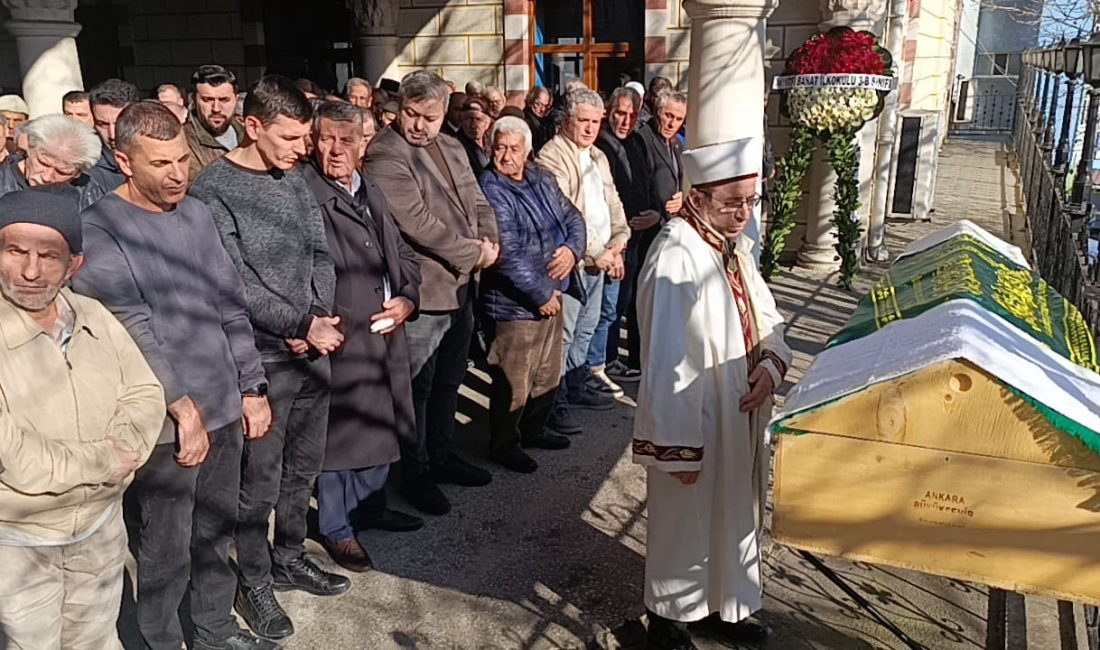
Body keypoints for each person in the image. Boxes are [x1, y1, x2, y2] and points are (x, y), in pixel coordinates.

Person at [73, 101, 275, 650]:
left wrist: (251, 387)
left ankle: (213, 629)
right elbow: (133, 330)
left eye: (183, 159)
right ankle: (161, 640)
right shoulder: (101, 229)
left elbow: (231, 303)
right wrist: (182, 408)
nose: (178, 174)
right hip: (165, 419)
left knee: (216, 531)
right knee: (165, 545)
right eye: (161, 163)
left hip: (224, 402)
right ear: (123, 160)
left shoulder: (197, 214)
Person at [190, 75, 349, 642]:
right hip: (260, 359)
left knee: (302, 468)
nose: (301, 148)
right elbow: (232, 281)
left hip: (312, 348)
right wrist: (298, 324)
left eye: (305, 136)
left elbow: (318, 253)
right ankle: (252, 579)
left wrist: (318, 317)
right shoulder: (213, 190)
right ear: (252, 126)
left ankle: (289, 557)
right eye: (289, 136)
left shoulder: (295, 178)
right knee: (257, 482)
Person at [634, 137, 791, 650]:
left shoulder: (732, 245)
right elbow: (664, 360)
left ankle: (724, 605)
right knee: (687, 521)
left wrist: (771, 361)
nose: (744, 213)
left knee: (732, 513)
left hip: (739, 408)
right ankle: (668, 618)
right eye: (732, 202)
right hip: (697, 416)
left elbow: (767, 315)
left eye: (750, 201)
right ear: (697, 198)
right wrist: (675, 445)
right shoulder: (677, 257)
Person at [0, 189, 165, 650]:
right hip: (19, 538)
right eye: (15, 251)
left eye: (48, 256)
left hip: (99, 527)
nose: (30, 271)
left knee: (95, 640)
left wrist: (124, 449)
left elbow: (145, 392)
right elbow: (13, 456)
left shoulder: (92, 315)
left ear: (74, 265)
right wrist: (103, 462)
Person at [364, 70, 499, 517]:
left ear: (446, 114)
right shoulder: (386, 154)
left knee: (449, 379)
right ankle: (416, 470)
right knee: (417, 387)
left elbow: (478, 200)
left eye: (430, 117)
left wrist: (490, 241)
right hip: (425, 289)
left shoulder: (453, 146)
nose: (419, 125)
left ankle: (442, 454)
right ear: (398, 109)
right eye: (411, 114)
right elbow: (417, 223)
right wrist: (472, 253)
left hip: (463, 287)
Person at [301, 100, 424, 572]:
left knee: (383, 422)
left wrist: (408, 298)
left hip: (386, 326)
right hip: (343, 332)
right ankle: (336, 527)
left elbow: (403, 255)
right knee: (342, 433)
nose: (335, 149)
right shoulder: (308, 193)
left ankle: (370, 508)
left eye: (345, 140)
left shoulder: (368, 187)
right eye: (326, 139)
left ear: (362, 144)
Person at [479, 116, 586, 473]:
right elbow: (506, 250)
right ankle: (504, 443)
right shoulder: (491, 187)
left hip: (555, 287)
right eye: (500, 147)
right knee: (514, 378)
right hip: (517, 302)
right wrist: (541, 293)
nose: (507, 155)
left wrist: (573, 250)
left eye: (514, 148)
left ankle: (535, 429)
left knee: (547, 371)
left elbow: (573, 217)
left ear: (528, 151)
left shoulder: (540, 177)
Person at [536, 88, 629, 434]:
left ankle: (575, 387)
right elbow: (564, 214)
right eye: (584, 121)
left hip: (602, 256)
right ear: (567, 120)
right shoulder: (553, 155)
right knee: (566, 333)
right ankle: (554, 403)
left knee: (588, 329)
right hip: (573, 261)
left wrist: (620, 239)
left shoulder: (598, 156)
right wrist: (598, 252)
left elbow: (612, 201)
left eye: (595, 121)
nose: (590, 128)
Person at [595, 87, 651, 387]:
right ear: (609, 111)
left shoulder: (637, 142)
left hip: (641, 236)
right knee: (611, 306)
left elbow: (646, 181)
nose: (625, 120)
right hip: (616, 240)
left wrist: (654, 211)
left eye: (632, 114)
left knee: (630, 301)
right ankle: (604, 361)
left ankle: (623, 357)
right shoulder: (602, 145)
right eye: (620, 113)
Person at [0, 114, 106, 209]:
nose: (47, 177)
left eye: (62, 172)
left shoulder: (87, 192)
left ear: (78, 173)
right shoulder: (3, 181)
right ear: (29, 148)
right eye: (43, 163)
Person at [185, 64, 244, 184]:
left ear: (236, 100)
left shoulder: (250, 134)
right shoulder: (182, 141)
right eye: (208, 100)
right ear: (193, 100)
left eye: (224, 100)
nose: (216, 108)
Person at [88, 78, 141, 191]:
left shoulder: (165, 156)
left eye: (119, 123)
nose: (112, 135)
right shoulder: (89, 176)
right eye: (102, 124)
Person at [456, 95, 491, 176]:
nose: (473, 125)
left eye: (479, 119)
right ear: (461, 121)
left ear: (487, 123)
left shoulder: (492, 142)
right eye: (468, 119)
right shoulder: (456, 146)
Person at [523, 86, 554, 153]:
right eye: (538, 104)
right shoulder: (525, 122)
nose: (542, 109)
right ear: (530, 101)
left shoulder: (547, 121)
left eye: (546, 106)